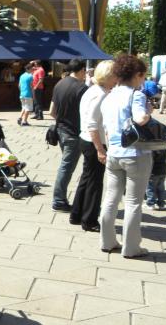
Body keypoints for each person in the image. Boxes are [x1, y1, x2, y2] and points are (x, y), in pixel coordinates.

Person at [100, 54, 152, 258]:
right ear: (137, 74)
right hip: (135, 153)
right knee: (133, 202)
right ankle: (131, 247)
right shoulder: (136, 95)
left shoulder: (109, 96)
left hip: (113, 153)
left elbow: (105, 127)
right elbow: (140, 118)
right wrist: (147, 112)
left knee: (110, 199)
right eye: (143, 76)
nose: (143, 80)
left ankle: (107, 241)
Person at [70, 60, 116, 232]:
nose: (117, 79)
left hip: (86, 139)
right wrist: (100, 149)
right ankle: (89, 220)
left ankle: (76, 214)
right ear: (108, 76)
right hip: (93, 141)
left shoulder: (94, 90)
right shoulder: (100, 94)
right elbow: (92, 124)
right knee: (95, 183)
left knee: (87, 178)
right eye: (115, 75)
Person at [49, 59, 87, 212]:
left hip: (61, 130)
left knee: (65, 166)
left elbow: (51, 111)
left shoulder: (59, 84)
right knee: (66, 167)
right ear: (82, 70)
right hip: (73, 133)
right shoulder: (82, 88)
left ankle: (60, 199)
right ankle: (58, 201)